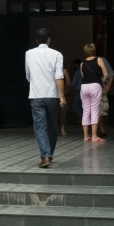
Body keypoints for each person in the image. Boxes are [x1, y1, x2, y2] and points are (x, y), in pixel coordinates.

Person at [25, 28, 66, 168]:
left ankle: (46, 155)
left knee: (40, 127)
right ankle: (49, 154)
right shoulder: (57, 54)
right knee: (52, 126)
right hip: (52, 95)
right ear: (49, 39)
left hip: (36, 94)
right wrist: (62, 96)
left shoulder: (29, 54)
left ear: (36, 40)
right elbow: (59, 77)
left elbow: (28, 75)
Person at [79, 43, 109, 142]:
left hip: (84, 87)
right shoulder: (99, 60)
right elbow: (106, 75)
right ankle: (94, 136)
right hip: (95, 86)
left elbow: (83, 76)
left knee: (86, 111)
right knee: (95, 110)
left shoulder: (82, 63)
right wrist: (101, 83)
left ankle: (86, 136)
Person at [96, 55, 113, 138]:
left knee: (101, 111)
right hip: (95, 88)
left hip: (102, 88)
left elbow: (111, 74)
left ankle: (95, 132)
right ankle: (102, 131)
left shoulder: (101, 60)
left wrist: (108, 86)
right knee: (98, 111)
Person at [70, 58, 83, 126]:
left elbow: (74, 82)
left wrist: (69, 87)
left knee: (75, 105)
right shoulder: (84, 70)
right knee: (81, 106)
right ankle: (79, 121)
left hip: (79, 89)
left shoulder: (77, 71)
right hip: (85, 89)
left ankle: (83, 118)